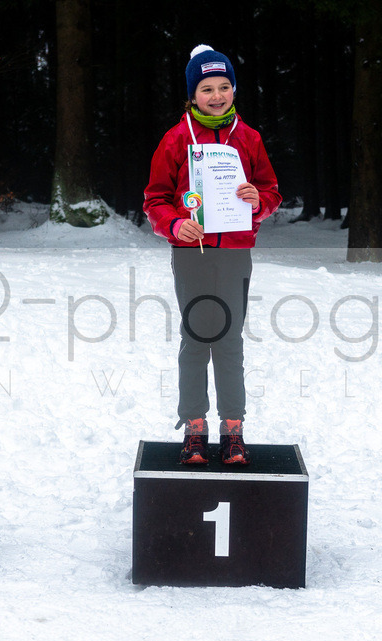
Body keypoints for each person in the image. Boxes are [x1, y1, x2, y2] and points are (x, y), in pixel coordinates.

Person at [143, 45, 282, 465]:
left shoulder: (250, 138)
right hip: (192, 254)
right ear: (192, 94)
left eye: (225, 86)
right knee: (196, 339)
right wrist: (173, 223)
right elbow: (155, 198)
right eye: (207, 88)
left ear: (234, 90)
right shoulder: (175, 139)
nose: (217, 95)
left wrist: (258, 200)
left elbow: (272, 192)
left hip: (235, 254)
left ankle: (234, 430)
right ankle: (194, 428)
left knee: (229, 340)